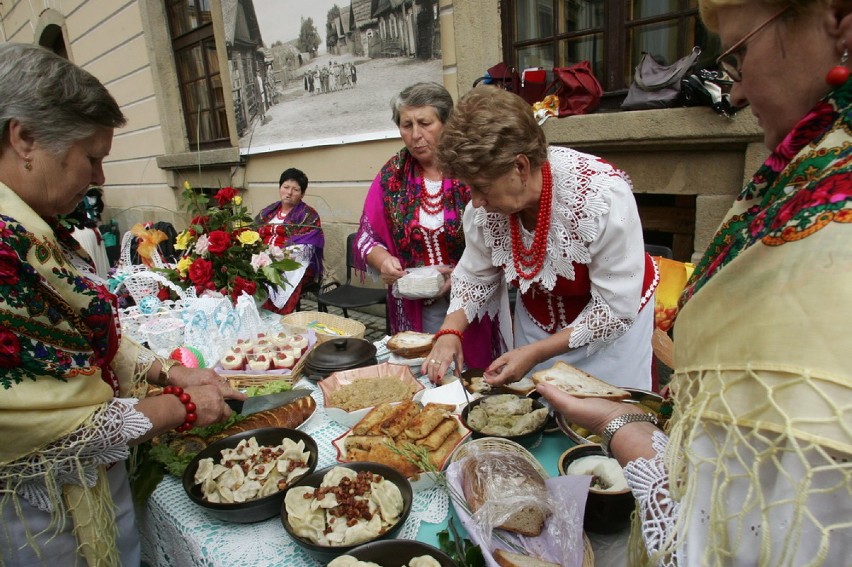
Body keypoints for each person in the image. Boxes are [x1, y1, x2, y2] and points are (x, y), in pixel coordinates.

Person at [538, 1, 852, 565]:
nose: (732, 93)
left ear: (840, 23)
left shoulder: (830, 235)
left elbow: (736, 534)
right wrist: (623, 422)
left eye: (737, 55)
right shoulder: (806, 176)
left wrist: (622, 426)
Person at [0, 43, 245, 566]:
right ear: (24, 139)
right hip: (39, 521)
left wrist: (168, 374)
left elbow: (79, 333)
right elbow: (50, 425)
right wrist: (179, 408)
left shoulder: (32, 230)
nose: (100, 178)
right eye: (91, 158)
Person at [423, 85, 658, 390]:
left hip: (610, 338)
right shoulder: (487, 210)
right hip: (535, 327)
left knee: (606, 421)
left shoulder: (599, 197)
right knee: (537, 409)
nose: (476, 200)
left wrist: (535, 353)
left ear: (520, 166)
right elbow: (474, 272)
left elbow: (614, 310)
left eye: (481, 186)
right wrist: (450, 333)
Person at [353, 82, 500, 370]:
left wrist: (460, 276)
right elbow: (365, 237)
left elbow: (498, 234)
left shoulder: (471, 167)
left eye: (425, 123)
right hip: (415, 306)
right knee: (424, 374)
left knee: (472, 376)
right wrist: (383, 261)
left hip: (474, 302)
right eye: (406, 125)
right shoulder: (391, 177)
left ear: (446, 123)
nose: (415, 135)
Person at [255, 167, 324, 314]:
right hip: (262, 259)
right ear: (280, 188)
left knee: (276, 277)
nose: (289, 192)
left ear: (302, 193)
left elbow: (306, 248)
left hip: (294, 263)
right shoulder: (268, 211)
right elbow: (252, 234)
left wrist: (277, 258)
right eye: (285, 187)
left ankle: (275, 320)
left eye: (295, 189)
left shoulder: (309, 215)